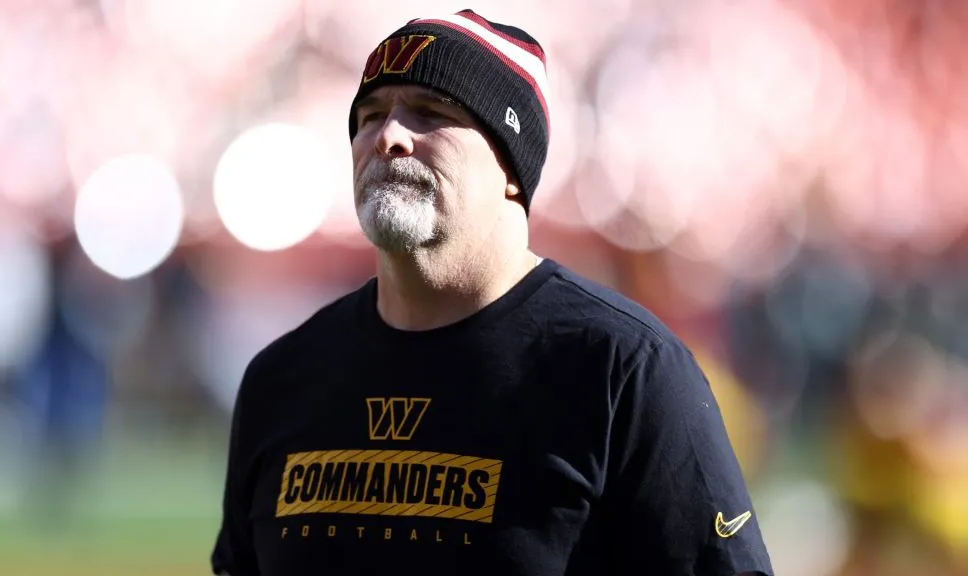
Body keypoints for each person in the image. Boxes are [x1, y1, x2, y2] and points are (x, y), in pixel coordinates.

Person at [211, 9, 774, 576]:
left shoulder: (624, 369)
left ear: (509, 161)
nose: (388, 136)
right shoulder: (281, 379)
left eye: (430, 112)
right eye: (371, 115)